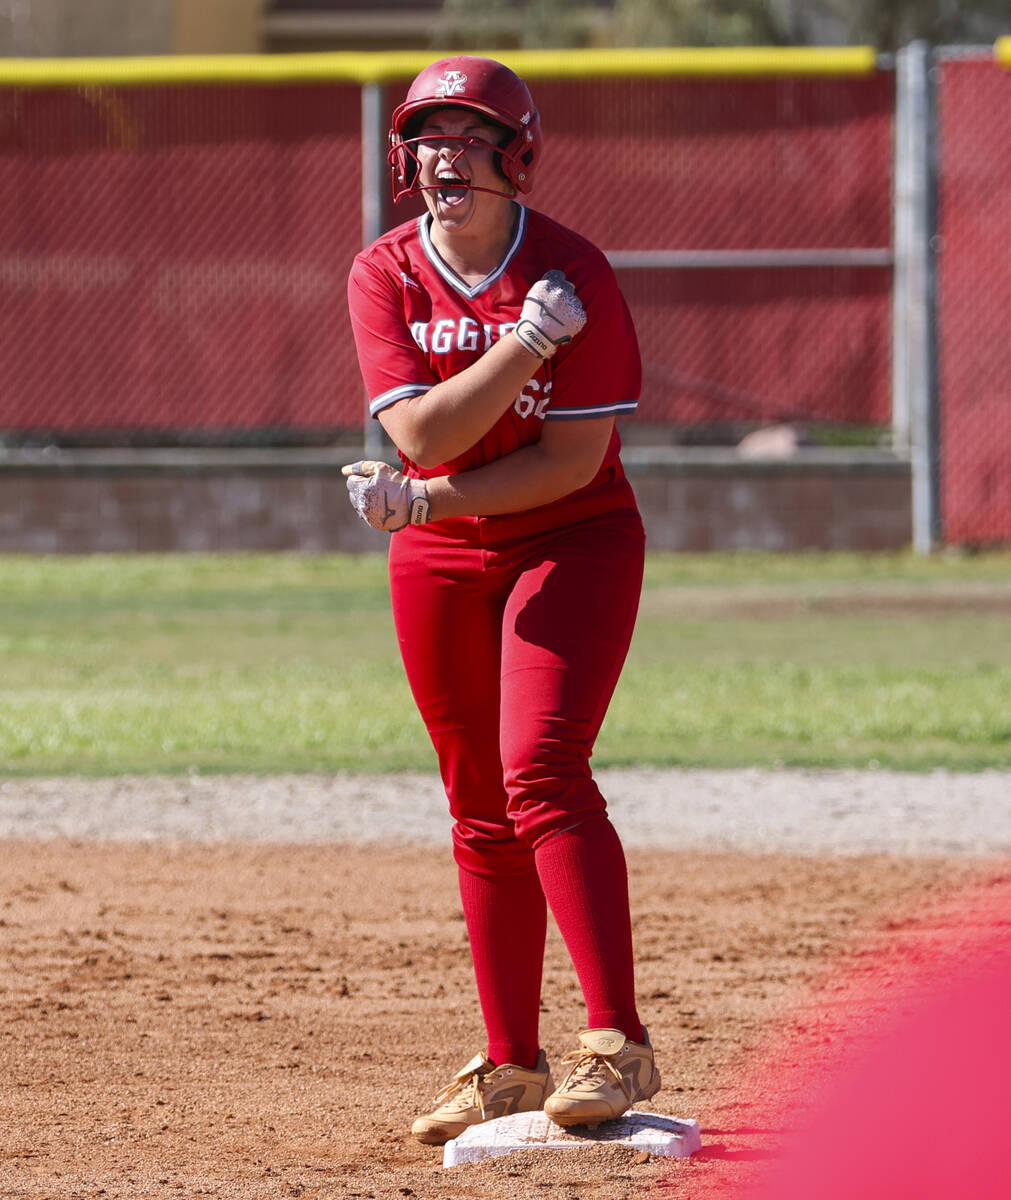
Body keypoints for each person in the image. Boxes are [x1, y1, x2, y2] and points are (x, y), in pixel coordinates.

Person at [342, 55, 659, 1146]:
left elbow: (570, 468)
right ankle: (512, 1061)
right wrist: (527, 342)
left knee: (542, 768)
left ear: (518, 156)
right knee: (477, 801)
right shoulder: (385, 271)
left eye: (471, 136)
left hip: (572, 539)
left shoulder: (578, 270)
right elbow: (419, 434)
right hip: (438, 555)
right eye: (428, 137)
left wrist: (422, 500)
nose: (445, 157)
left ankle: (616, 1043)